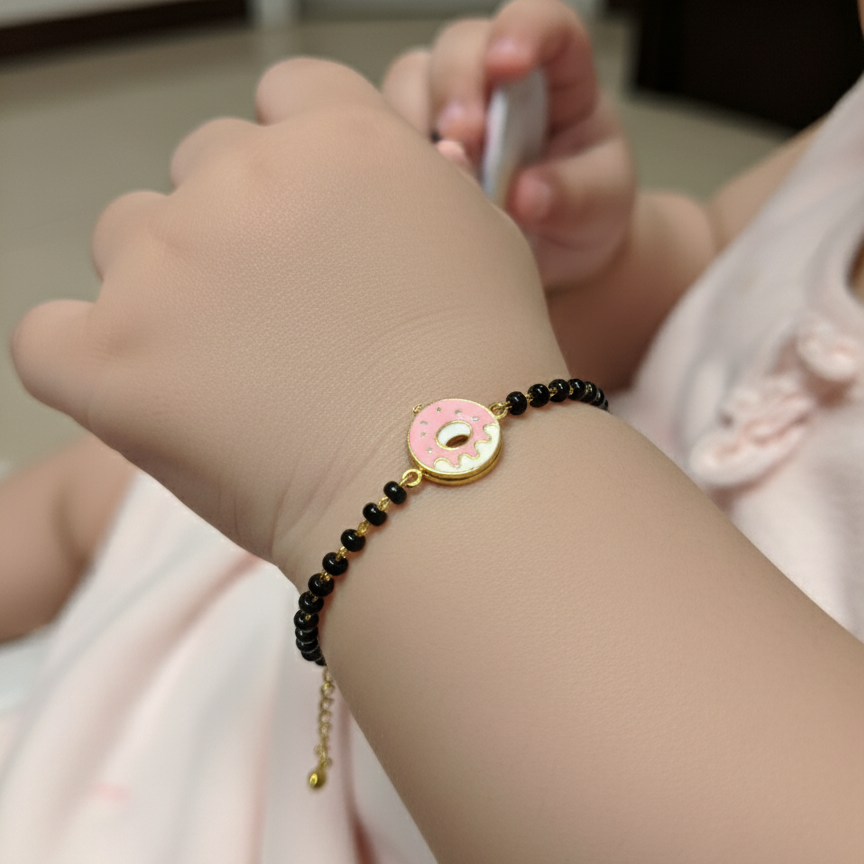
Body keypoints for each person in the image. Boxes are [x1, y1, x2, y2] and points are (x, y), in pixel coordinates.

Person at [3, 0, 864, 861]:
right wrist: (563, 253)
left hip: (386, 788)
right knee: (124, 480)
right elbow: (713, 257)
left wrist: (393, 414)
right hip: (323, 578)